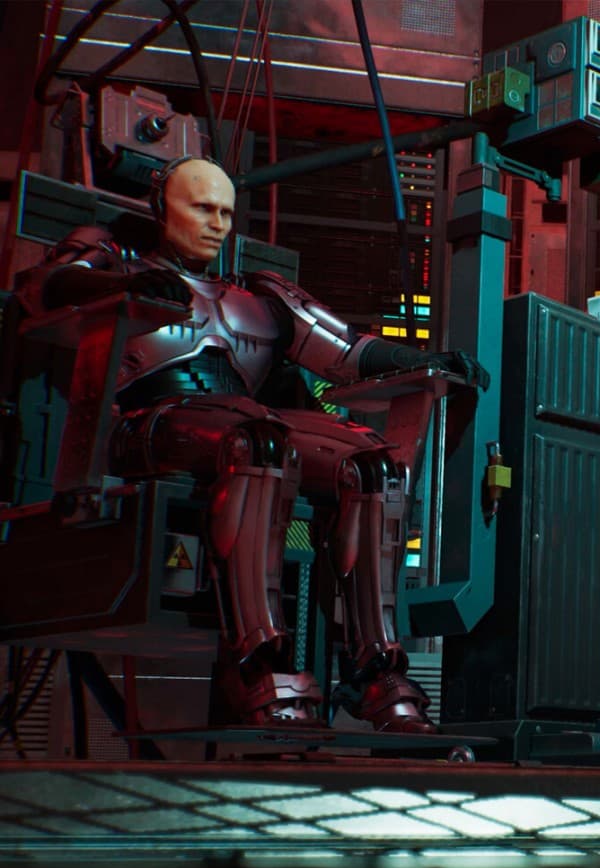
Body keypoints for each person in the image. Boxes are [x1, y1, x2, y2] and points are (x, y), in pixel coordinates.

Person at [10, 155, 489, 733]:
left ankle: (376, 670)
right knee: (258, 442)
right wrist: (122, 284)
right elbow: (41, 287)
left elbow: (346, 352)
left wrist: (423, 358)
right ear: (162, 209)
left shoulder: (259, 297)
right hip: (148, 425)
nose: (216, 224)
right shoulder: (113, 255)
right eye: (201, 208)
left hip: (241, 422)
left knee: (373, 464)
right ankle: (257, 662)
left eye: (225, 212)